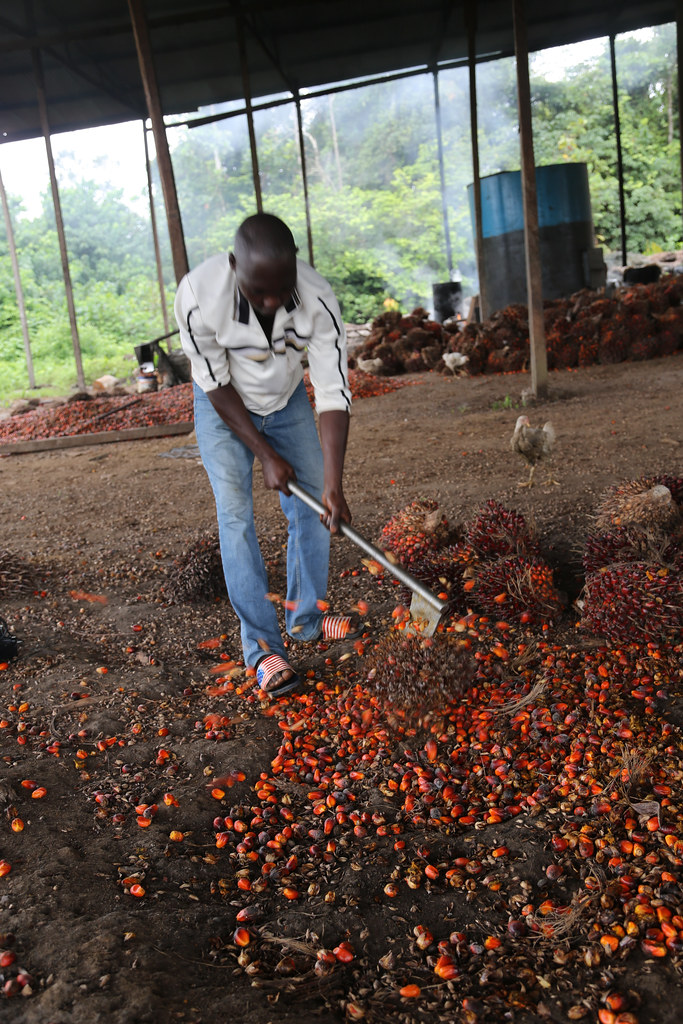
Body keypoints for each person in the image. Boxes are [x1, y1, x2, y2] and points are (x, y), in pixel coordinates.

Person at [174, 213, 360, 697]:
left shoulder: (318, 299)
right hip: (222, 405)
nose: (272, 301)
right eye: (259, 293)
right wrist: (264, 453)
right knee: (235, 516)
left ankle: (306, 620)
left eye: (281, 289)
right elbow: (214, 383)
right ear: (235, 266)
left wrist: (332, 484)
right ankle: (263, 649)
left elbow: (333, 391)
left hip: (287, 398)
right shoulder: (198, 296)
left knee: (313, 506)